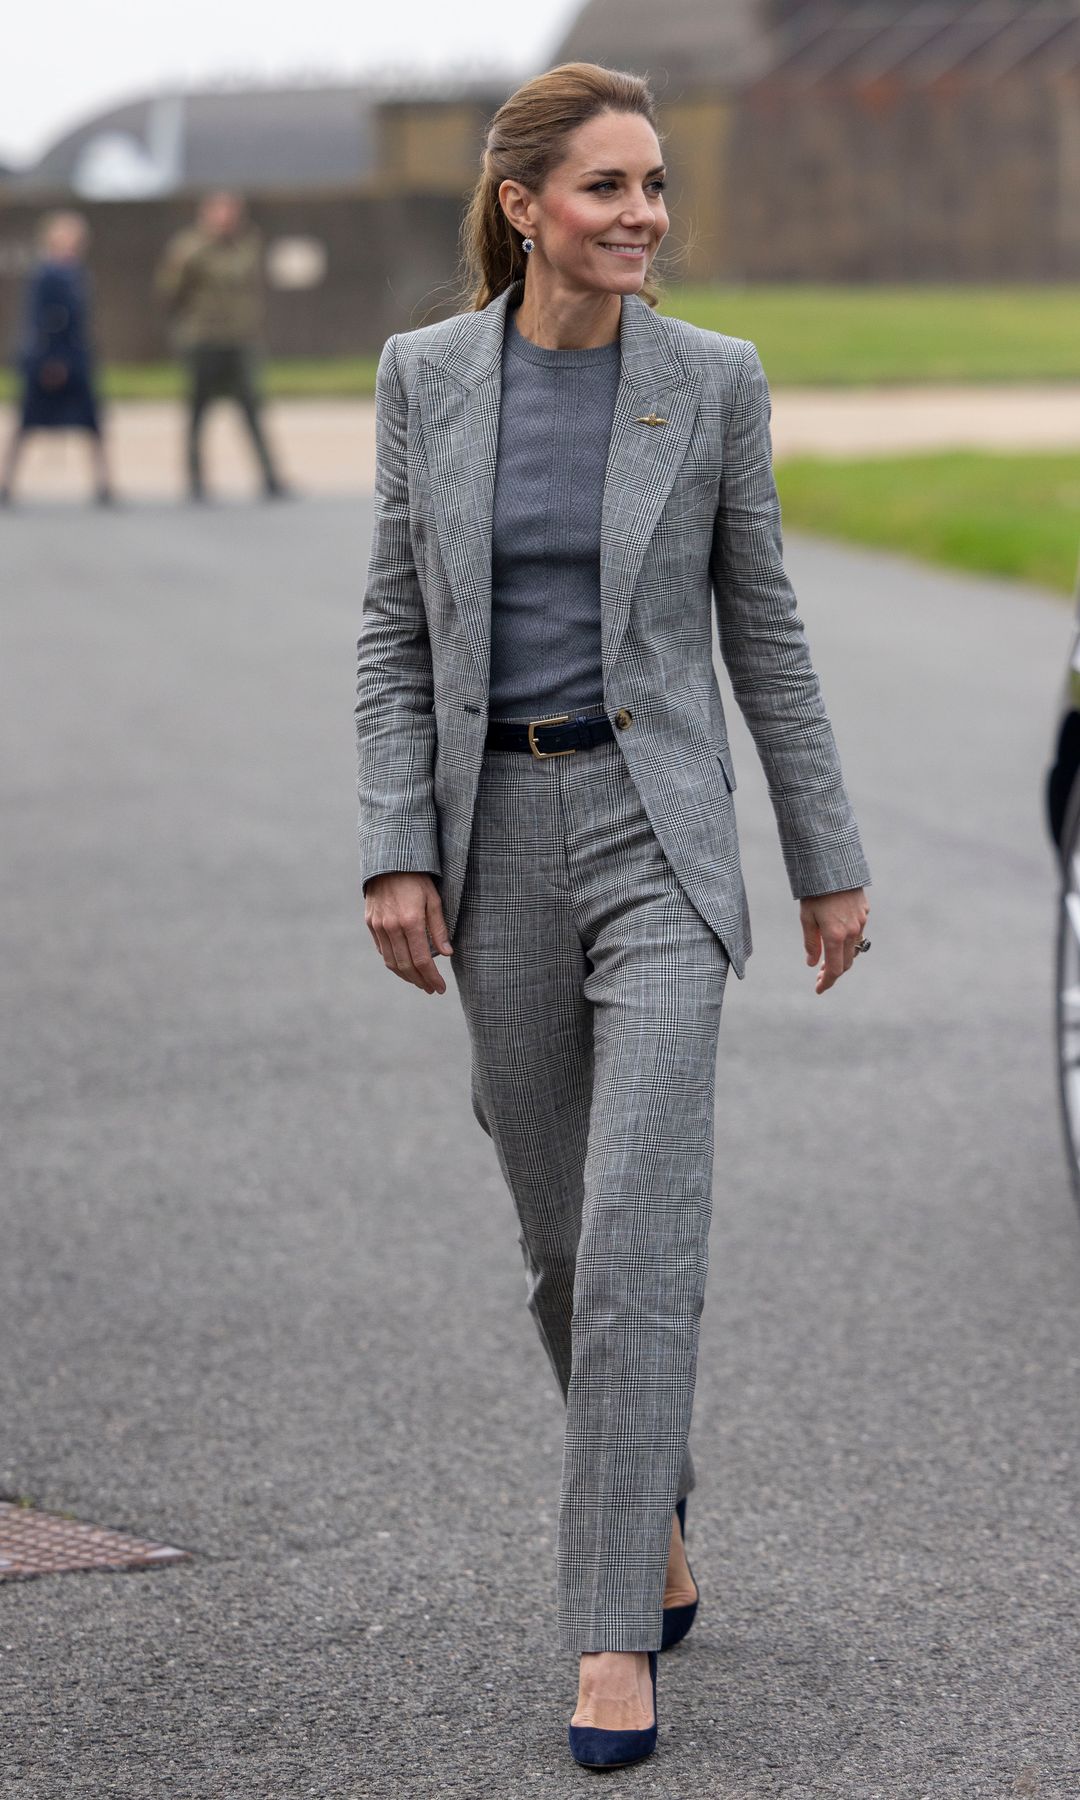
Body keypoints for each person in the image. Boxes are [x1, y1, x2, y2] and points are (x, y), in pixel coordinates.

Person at [355, 61, 872, 1771]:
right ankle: (649, 1500)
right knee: (565, 1243)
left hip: (661, 844)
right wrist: (394, 845)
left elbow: (767, 636)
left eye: (655, 185)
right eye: (607, 188)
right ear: (523, 208)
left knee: (642, 1227)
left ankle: (604, 1642)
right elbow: (390, 632)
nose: (644, 214)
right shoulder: (423, 378)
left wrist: (827, 854)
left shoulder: (712, 382)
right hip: (493, 833)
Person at [155, 191, 289, 502]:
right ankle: (195, 480)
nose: (226, 219)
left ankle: (269, 478)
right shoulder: (189, 248)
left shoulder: (248, 244)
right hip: (203, 339)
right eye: (220, 212)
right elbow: (169, 292)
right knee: (198, 412)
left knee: (252, 409)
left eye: (232, 212)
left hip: (241, 338)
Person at [0, 211, 113, 506]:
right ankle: (7, 484)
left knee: (92, 423)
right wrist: (50, 360)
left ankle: (103, 484)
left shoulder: (78, 273)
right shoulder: (45, 274)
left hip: (76, 359)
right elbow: (40, 320)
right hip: (49, 360)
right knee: (27, 423)